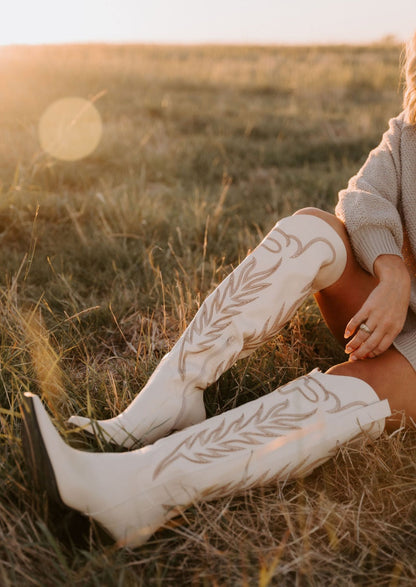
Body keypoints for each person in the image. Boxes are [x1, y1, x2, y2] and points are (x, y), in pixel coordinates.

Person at [21, 33, 416, 549]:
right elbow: (362, 197)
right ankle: (165, 402)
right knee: (312, 231)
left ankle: (135, 490)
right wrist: (392, 272)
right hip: (390, 302)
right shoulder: (408, 131)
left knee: (345, 392)